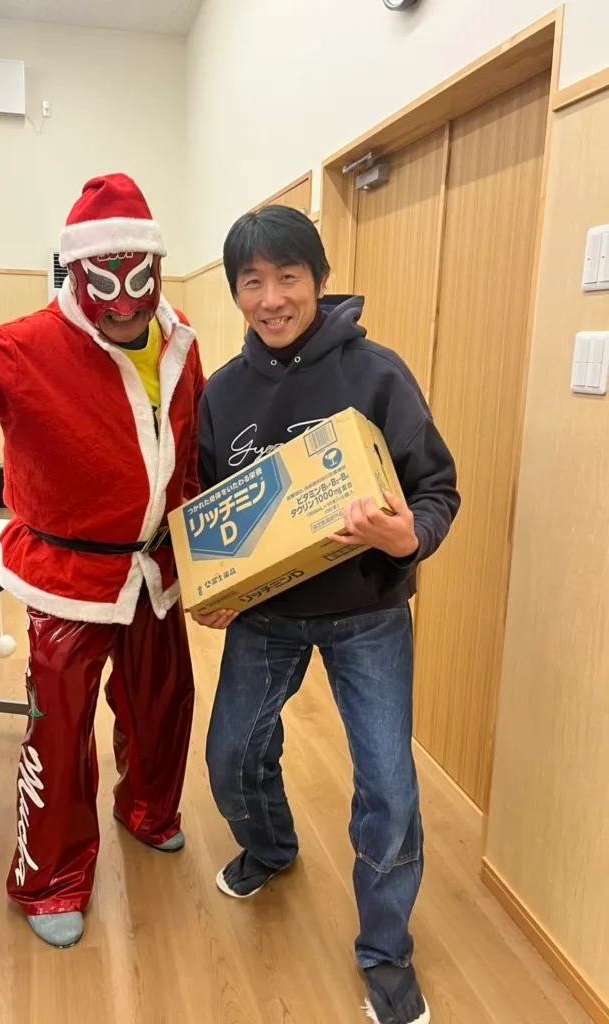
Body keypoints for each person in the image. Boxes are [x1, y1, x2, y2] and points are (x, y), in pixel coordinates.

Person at [195, 206, 460, 1024]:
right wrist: (217, 588)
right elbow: (212, 512)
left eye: (289, 277)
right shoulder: (223, 393)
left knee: (387, 786)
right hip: (266, 616)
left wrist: (408, 536)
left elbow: (436, 489)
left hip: (367, 611)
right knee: (231, 755)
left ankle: (386, 950)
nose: (272, 298)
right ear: (236, 292)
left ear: (318, 279)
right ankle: (271, 846)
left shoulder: (377, 373)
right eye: (253, 282)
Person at [0, 174, 204, 949]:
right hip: (68, 579)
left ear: (157, 269)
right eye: (103, 283)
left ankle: (148, 810)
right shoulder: (29, 345)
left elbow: (190, 450)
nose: (123, 303)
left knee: (162, 703)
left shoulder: (180, 342)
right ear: (76, 273)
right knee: (59, 730)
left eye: (138, 280)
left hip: (156, 569)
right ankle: (48, 879)